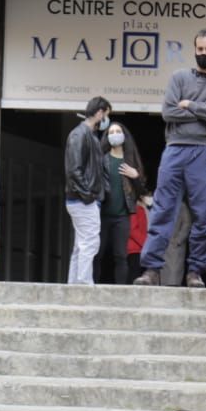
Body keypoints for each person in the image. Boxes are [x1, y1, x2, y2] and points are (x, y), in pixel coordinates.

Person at [134, 29, 206, 288]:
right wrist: (205, 113)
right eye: (199, 49)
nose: (203, 54)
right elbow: (169, 113)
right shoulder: (178, 77)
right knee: (162, 210)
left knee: (204, 214)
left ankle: (195, 272)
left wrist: (190, 105)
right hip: (175, 149)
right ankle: (151, 269)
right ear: (195, 49)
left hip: (204, 152)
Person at [65, 96, 113, 285]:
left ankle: (75, 284)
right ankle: (84, 283)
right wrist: (89, 196)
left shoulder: (89, 135)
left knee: (81, 244)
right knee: (90, 243)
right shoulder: (80, 134)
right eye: (106, 115)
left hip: (81, 199)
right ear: (100, 113)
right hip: (82, 199)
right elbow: (74, 170)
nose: (106, 121)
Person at [98, 120, 146, 285]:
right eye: (111, 132)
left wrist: (136, 177)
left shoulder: (130, 161)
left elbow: (141, 192)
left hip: (122, 216)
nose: (114, 135)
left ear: (124, 136)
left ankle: (121, 289)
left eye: (117, 131)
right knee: (98, 253)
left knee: (121, 256)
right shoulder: (102, 159)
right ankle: (92, 287)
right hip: (102, 214)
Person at [127, 193, 152, 278]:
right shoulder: (135, 208)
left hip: (141, 248)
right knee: (134, 276)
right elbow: (133, 230)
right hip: (135, 249)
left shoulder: (145, 209)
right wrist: (146, 243)